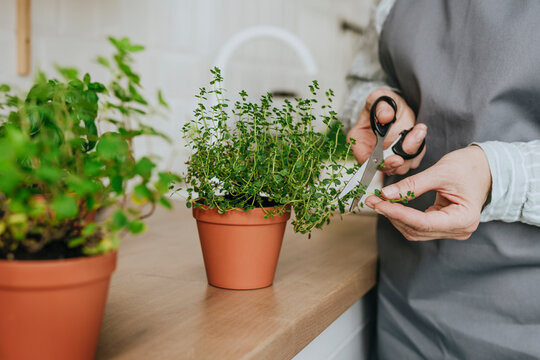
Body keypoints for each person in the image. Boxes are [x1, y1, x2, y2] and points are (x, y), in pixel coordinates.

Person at [342, 0, 540, 358]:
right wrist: (380, 106)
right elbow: (365, 79)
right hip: (406, 308)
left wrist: (495, 174)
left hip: (525, 316)